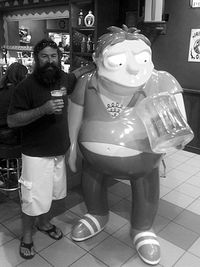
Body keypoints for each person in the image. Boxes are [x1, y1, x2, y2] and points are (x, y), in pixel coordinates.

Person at [68, 25, 193, 265]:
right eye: (118, 60)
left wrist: (168, 146)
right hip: (93, 160)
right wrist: (72, 145)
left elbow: (178, 124)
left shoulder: (161, 81)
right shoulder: (87, 81)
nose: (134, 67)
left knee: (145, 183)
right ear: (98, 58)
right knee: (92, 180)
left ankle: (142, 228)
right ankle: (96, 212)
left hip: (144, 157)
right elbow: (75, 113)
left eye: (143, 58)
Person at [7, 38, 95, 260]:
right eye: (44, 57)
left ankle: (44, 223)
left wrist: (97, 63)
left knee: (52, 195)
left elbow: (77, 73)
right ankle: (27, 236)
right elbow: (13, 120)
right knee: (32, 198)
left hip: (58, 151)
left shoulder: (63, 78)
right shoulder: (25, 87)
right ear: (37, 59)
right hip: (35, 155)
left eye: (53, 56)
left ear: (59, 58)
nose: (49, 61)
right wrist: (42, 109)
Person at [0, 62, 28, 145]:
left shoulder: (2, 88)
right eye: (26, 75)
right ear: (21, 76)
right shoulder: (18, 91)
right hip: (9, 135)